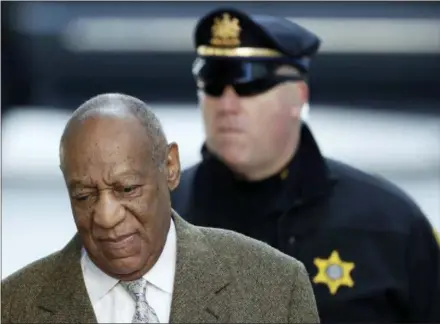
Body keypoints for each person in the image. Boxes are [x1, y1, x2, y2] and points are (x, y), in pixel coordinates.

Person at [171, 7, 440, 323]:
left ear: (298, 96)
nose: (228, 105)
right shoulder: (162, 223)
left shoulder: (389, 226)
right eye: (213, 83)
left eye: (251, 84)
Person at [1, 93, 320, 324]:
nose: (107, 217)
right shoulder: (12, 308)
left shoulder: (275, 287)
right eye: (84, 196)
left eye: (126, 189)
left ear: (170, 166)